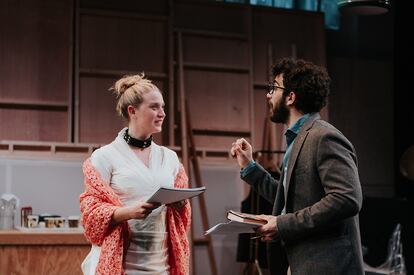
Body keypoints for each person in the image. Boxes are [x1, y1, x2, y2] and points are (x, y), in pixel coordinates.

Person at [230, 58, 364, 275]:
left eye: (273, 87)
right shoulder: (297, 140)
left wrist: (282, 225)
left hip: (327, 266)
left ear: (291, 97)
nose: (268, 94)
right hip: (299, 262)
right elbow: (288, 199)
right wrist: (250, 167)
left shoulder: (324, 137)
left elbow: (346, 199)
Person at [79, 73, 191, 275]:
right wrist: (128, 212)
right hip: (123, 265)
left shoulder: (170, 158)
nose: (162, 113)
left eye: (163, 107)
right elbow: (90, 217)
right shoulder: (105, 156)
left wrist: (181, 204)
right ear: (133, 111)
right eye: (154, 107)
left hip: (161, 265)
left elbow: (183, 219)